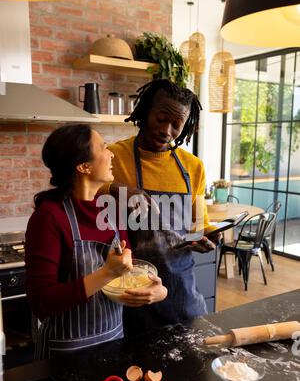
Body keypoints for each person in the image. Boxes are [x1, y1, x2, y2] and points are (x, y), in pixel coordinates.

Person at [25, 124, 167, 359]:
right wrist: (107, 274)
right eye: (103, 147)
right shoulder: (48, 218)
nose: (111, 153)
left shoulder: (110, 211)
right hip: (65, 355)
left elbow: (126, 273)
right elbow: (41, 303)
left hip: (113, 343)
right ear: (83, 166)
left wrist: (156, 290)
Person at [103, 79, 218, 335]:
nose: (167, 130)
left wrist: (204, 237)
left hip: (182, 293)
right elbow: (85, 191)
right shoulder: (115, 156)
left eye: (176, 124)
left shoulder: (193, 166)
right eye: (161, 118)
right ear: (145, 112)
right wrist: (117, 189)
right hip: (132, 293)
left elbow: (197, 226)